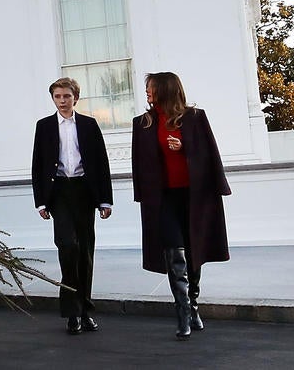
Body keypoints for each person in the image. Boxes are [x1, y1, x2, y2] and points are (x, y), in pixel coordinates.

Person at [131, 71, 231, 340]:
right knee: (175, 255)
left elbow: (209, 154)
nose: (147, 93)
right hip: (162, 199)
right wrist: (141, 195)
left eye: (151, 88)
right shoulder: (142, 123)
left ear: (165, 89)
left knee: (194, 254)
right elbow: (138, 163)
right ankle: (183, 313)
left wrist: (184, 146)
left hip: (195, 197)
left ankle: (194, 305)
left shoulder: (195, 118)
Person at [31, 76, 113, 335]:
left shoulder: (89, 125)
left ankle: (85, 310)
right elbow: (37, 165)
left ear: (75, 97)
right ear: (53, 99)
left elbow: (101, 163)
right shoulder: (44, 126)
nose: (62, 101)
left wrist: (105, 199)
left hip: (84, 191)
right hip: (59, 193)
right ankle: (72, 312)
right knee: (68, 247)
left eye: (67, 96)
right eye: (58, 97)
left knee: (85, 252)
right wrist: (40, 201)